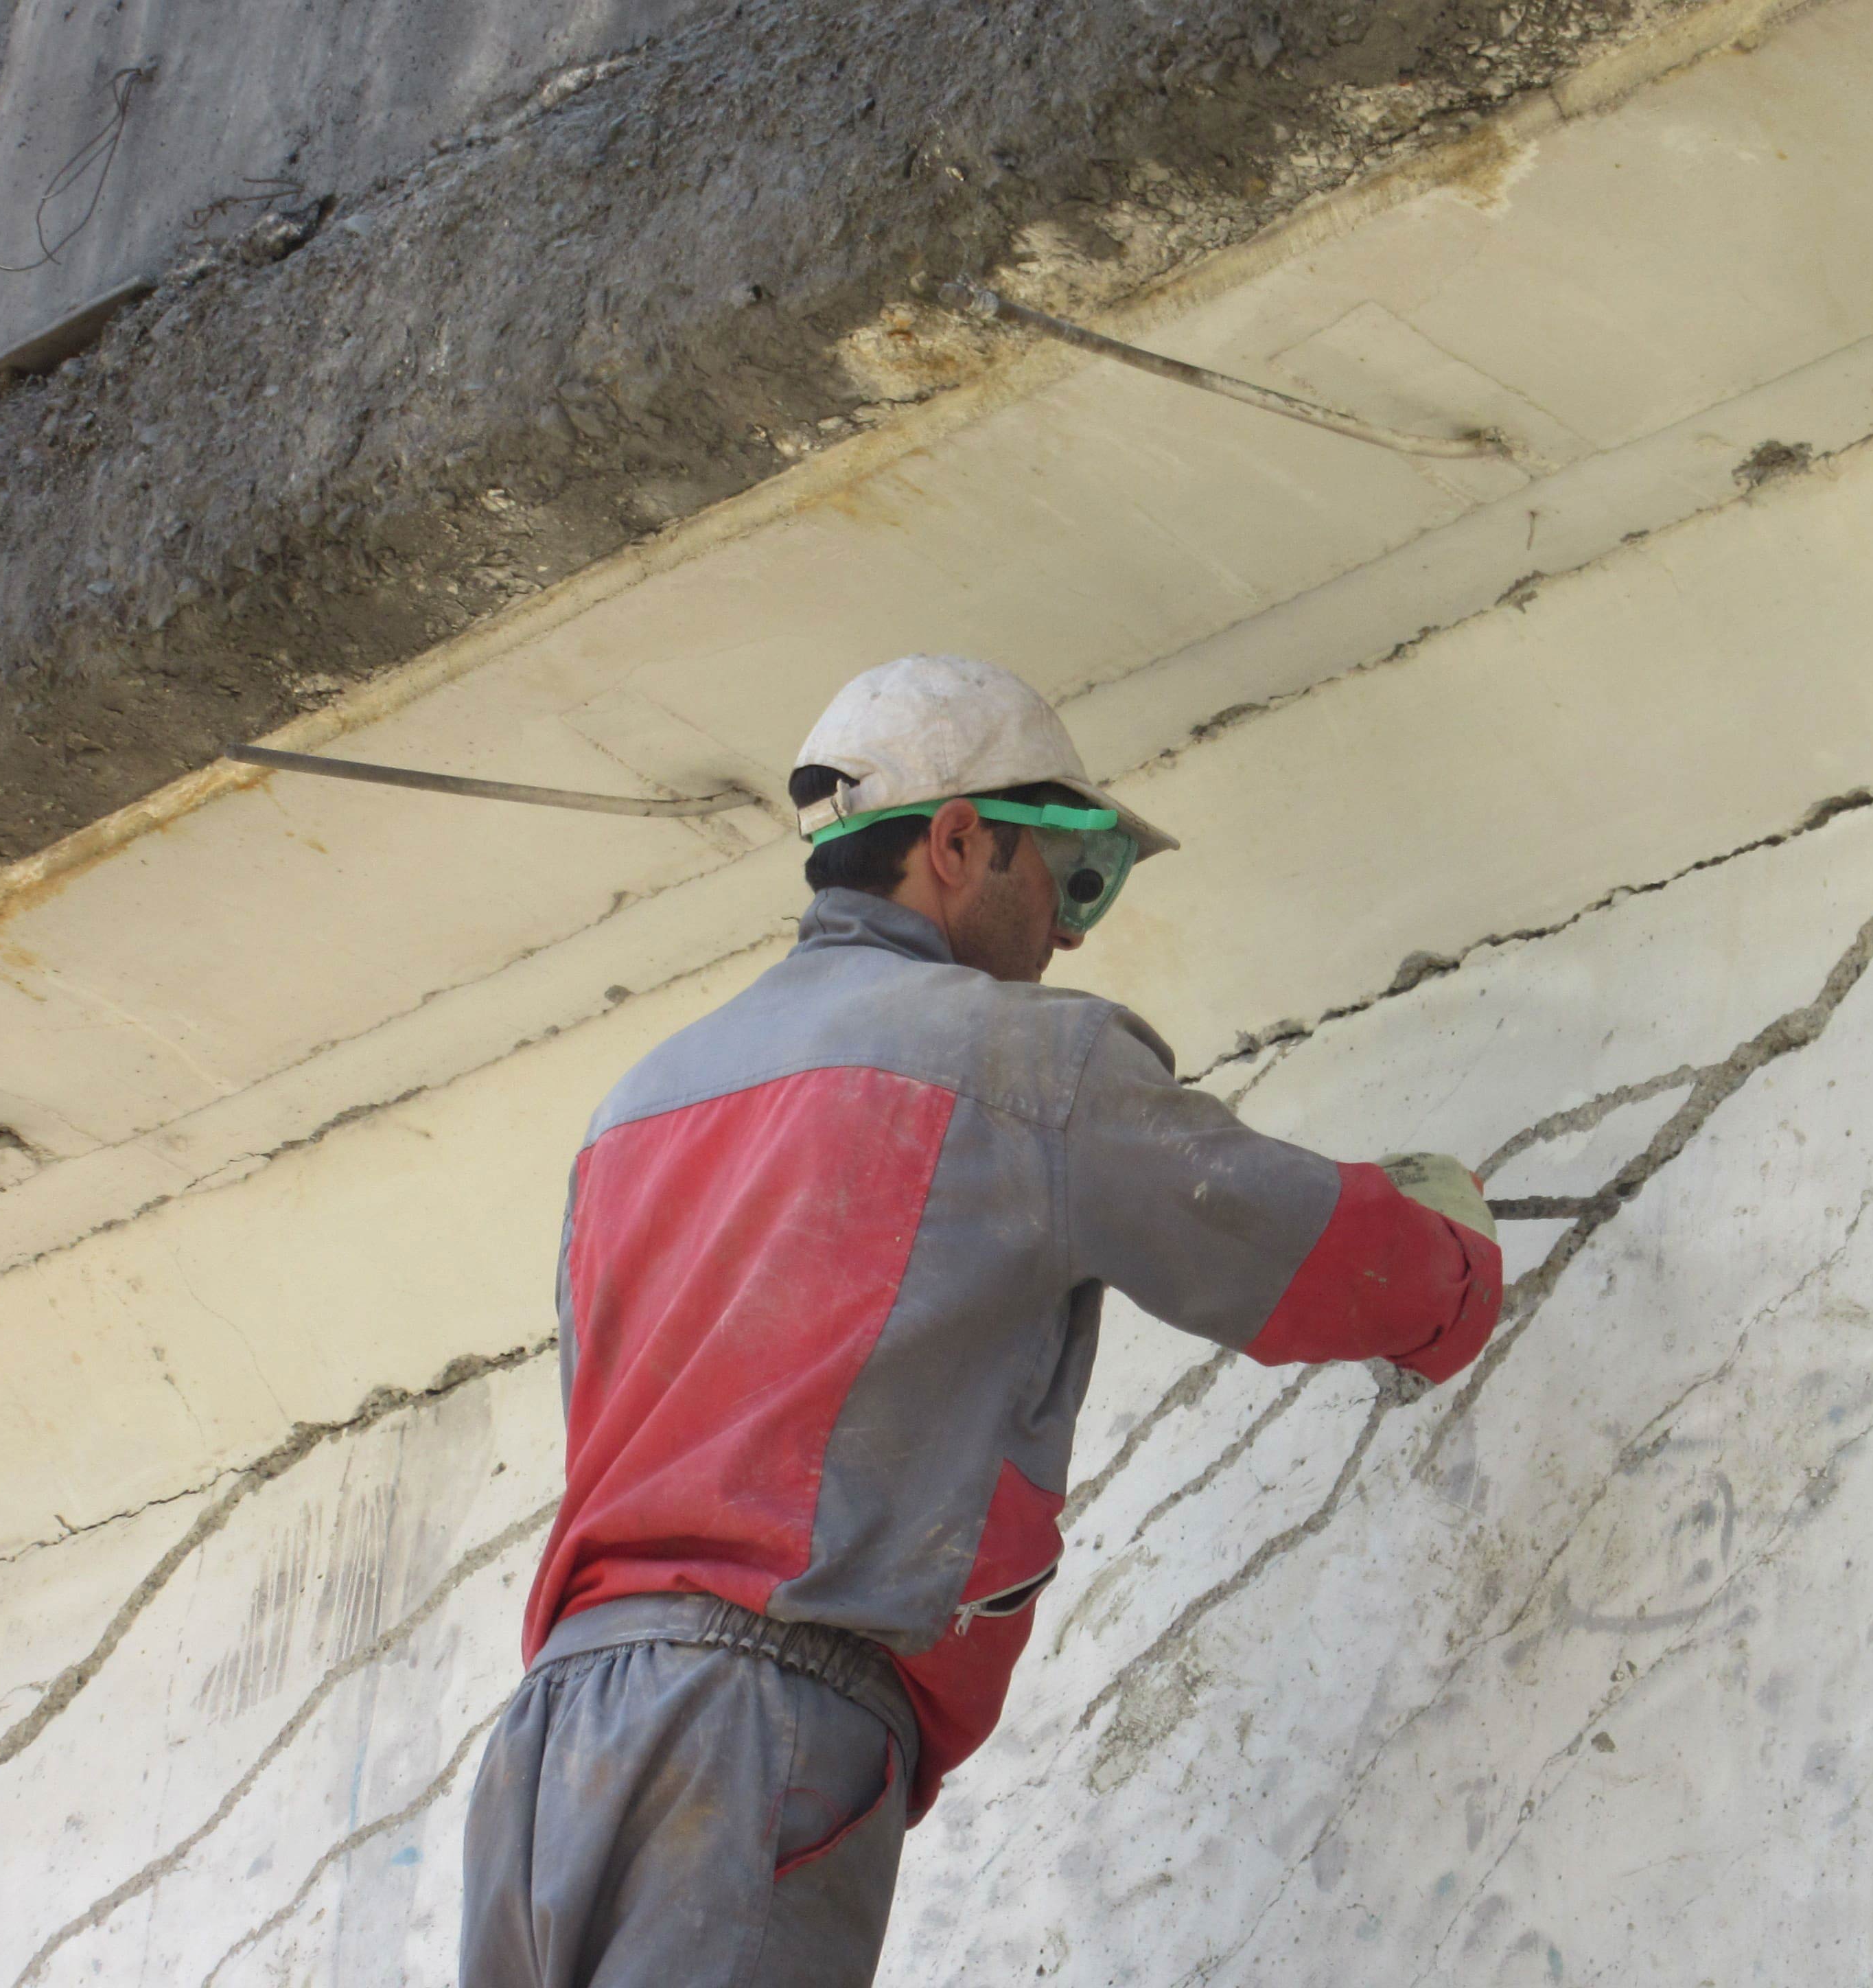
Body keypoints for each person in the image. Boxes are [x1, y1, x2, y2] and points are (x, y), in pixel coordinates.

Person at [460, 653, 1504, 1987]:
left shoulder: (634, 1110)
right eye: (1075, 874)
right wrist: (1452, 1271)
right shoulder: (1020, 1059)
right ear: (957, 843)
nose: (1072, 932)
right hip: (754, 1723)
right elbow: (1285, 1245)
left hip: (550, 1745)